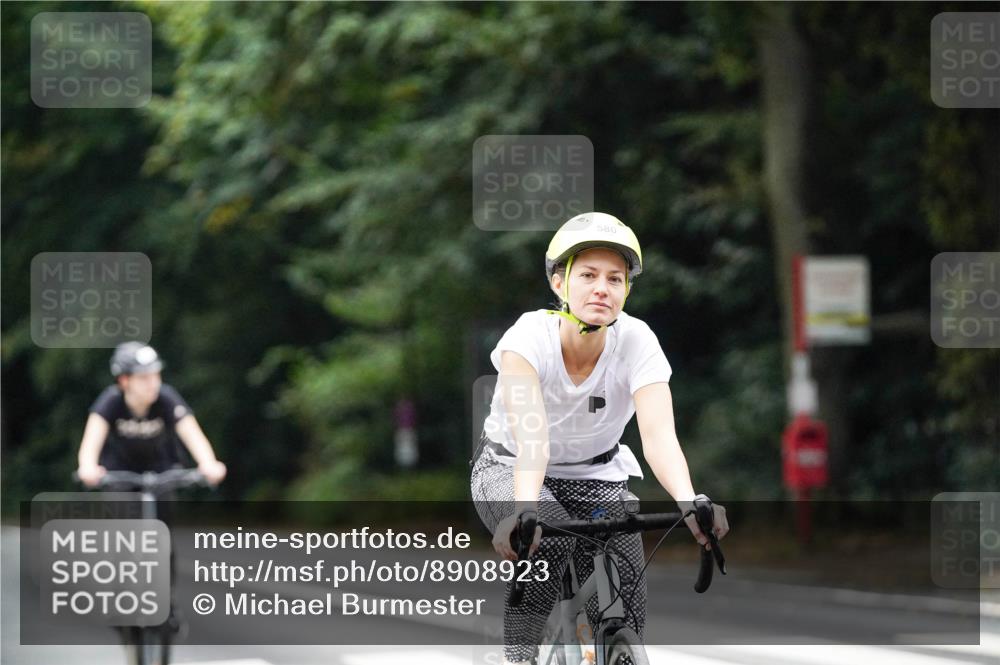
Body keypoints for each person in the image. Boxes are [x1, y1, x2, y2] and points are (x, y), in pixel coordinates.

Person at [470, 212, 730, 665]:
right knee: (548, 540)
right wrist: (524, 512)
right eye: (587, 275)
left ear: (627, 289)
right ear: (559, 283)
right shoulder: (527, 340)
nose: (602, 289)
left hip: (597, 474)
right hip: (511, 468)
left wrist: (691, 501)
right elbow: (534, 441)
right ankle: (518, 658)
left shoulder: (637, 342)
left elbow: (659, 436)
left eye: (615, 278)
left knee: (626, 590)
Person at [76, 341, 227, 487]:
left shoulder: (166, 398)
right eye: (144, 378)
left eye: (156, 375)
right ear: (124, 381)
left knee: (164, 510)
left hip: (163, 475)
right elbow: (91, 440)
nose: (153, 383)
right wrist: (87, 467)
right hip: (119, 476)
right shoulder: (111, 401)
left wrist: (208, 463)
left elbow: (192, 433)